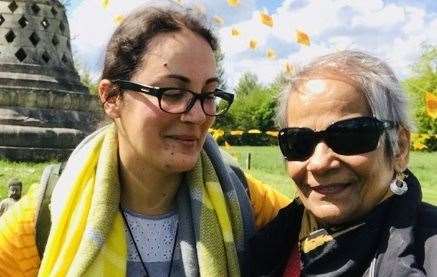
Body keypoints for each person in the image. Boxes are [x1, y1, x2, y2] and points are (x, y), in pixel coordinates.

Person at [0, 4, 290, 277]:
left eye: (210, 95)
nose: (199, 115)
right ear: (112, 97)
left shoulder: (245, 201)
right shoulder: (41, 219)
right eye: (172, 93)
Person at [251, 50, 437, 276]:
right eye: (298, 140)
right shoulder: (265, 246)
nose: (319, 163)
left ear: (399, 147)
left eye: (350, 135)